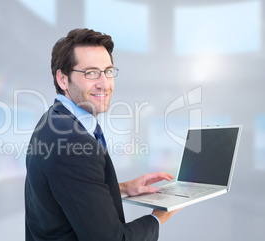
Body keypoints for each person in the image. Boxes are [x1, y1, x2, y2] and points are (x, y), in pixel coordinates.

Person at [25, 28, 180, 241]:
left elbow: (66, 190)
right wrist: (159, 216)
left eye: (108, 71)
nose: (105, 83)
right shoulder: (73, 143)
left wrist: (124, 188)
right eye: (90, 73)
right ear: (62, 79)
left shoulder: (51, 120)